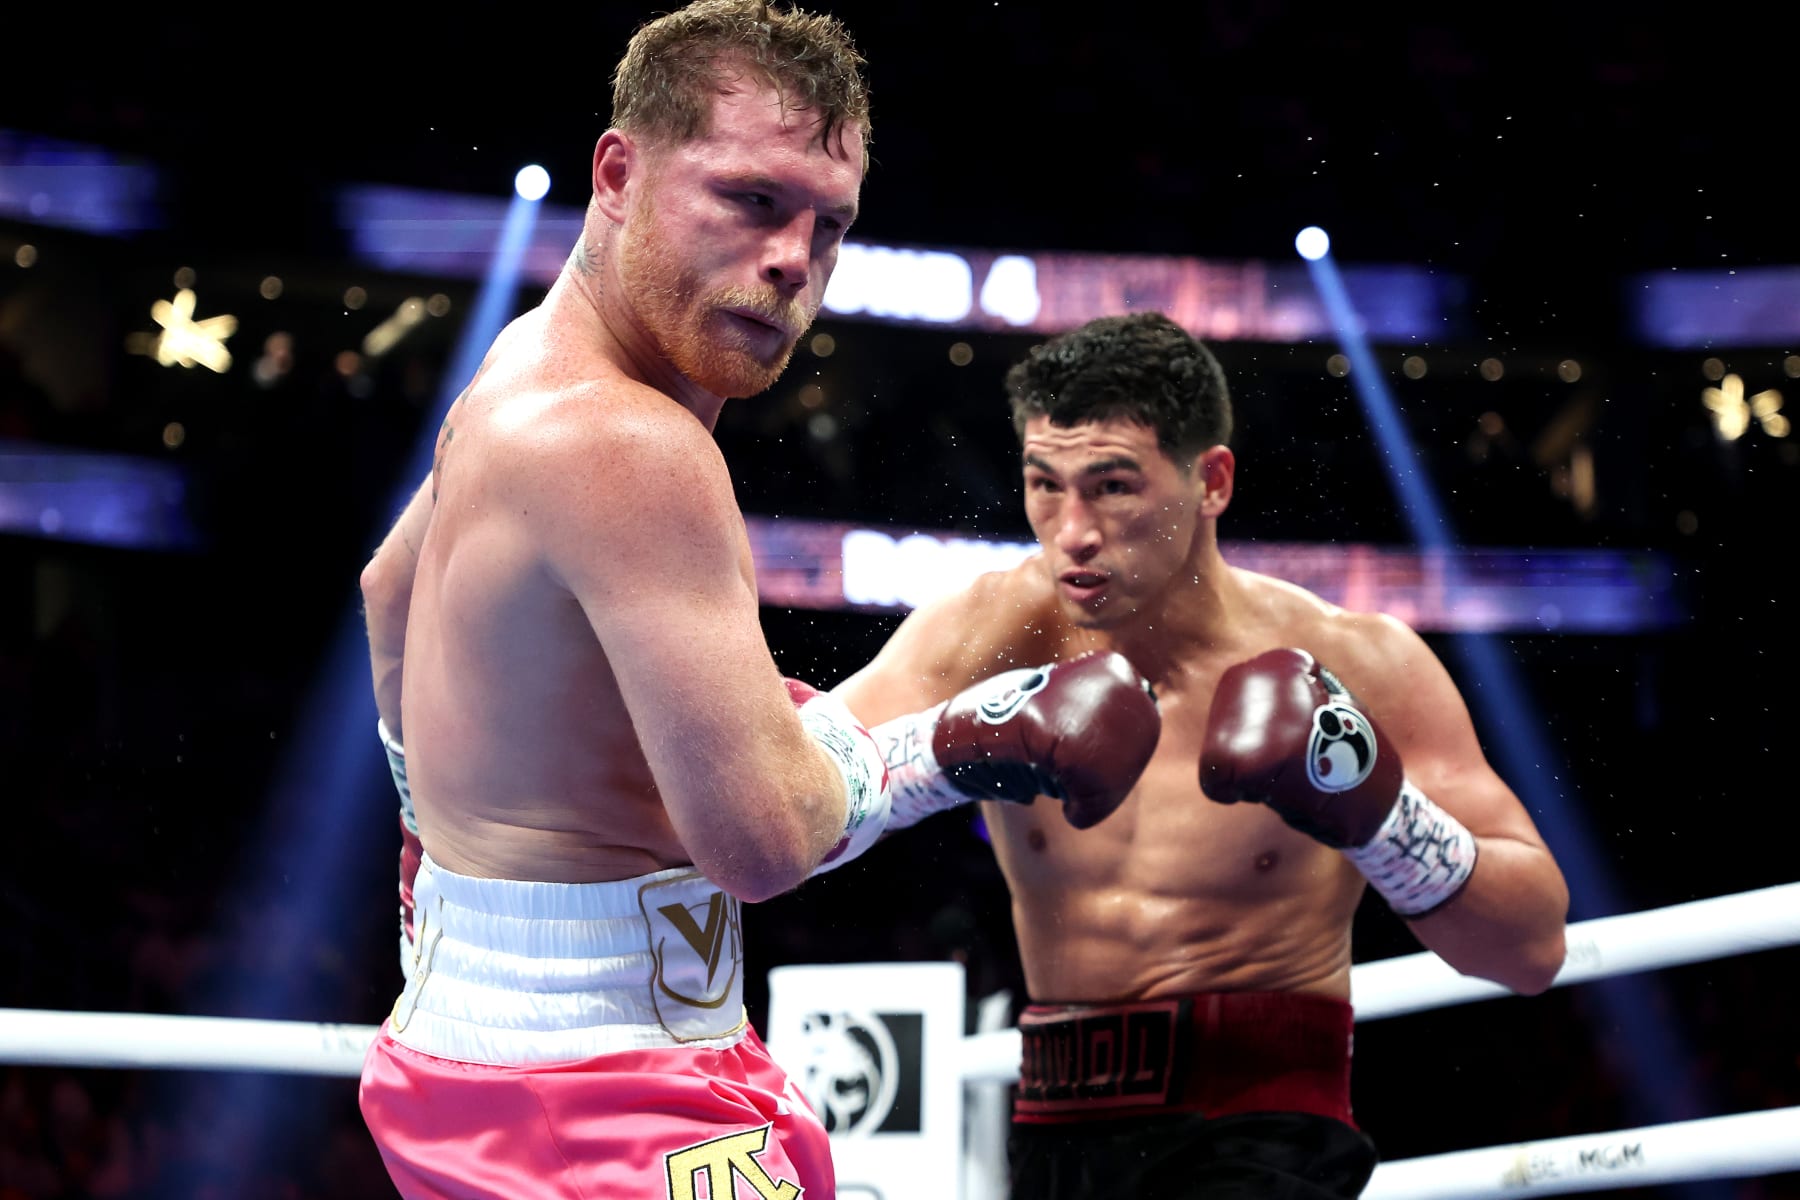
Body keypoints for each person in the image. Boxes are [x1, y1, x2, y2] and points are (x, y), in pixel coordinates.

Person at [352, 4, 1163, 1198]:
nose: (794, 259)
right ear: (618, 174)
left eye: (828, 224)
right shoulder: (633, 443)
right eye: (750, 199)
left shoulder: (523, 366)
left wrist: (450, 850)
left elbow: (389, 591)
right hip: (596, 1093)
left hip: (490, 1059)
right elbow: (764, 843)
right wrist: (957, 740)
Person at [830, 311, 1572, 1199]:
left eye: (1112, 486)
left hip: (1264, 1126)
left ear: (1211, 480)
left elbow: (1530, 949)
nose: (1073, 532)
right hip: (1055, 1130)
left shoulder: (1355, 656)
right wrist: (941, 751)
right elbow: (778, 819)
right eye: (1044, 485)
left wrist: (1378, 813)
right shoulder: (990, 634)